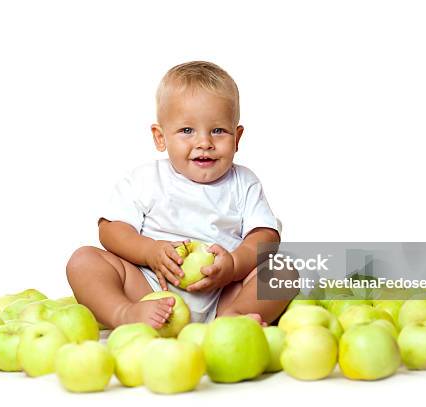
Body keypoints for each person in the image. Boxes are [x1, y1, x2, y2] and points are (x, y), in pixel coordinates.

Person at [66, 61, 289, 330]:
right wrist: (149, 251)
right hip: (150, 288)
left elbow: (265, 236)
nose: (204, 142)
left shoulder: (244, 182)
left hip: (223, 294)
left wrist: (233, 264)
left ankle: (235, 318)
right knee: (83, 260)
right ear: (160, 137)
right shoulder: (145, 180)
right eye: (187, 131)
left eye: (218, 130)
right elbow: (111, 230)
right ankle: (124, 313)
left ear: (237, 137)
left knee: (284, 270)